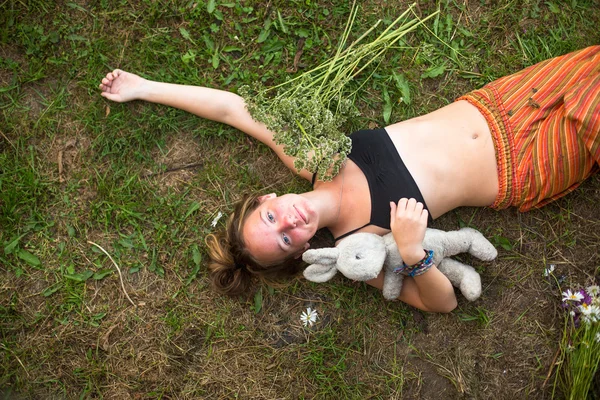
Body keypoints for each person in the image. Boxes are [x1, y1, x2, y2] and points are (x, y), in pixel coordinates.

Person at [99, 46, 600, 313]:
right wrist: (411, 252)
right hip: (526, 167)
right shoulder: (361, 247)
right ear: (301, 252)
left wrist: (144, 88)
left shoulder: (315, 157)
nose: (289, 222)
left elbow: (233, 109)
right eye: (285, 239)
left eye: (271, 216)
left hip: (504, 99)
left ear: (269, 197)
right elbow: (440, 304)